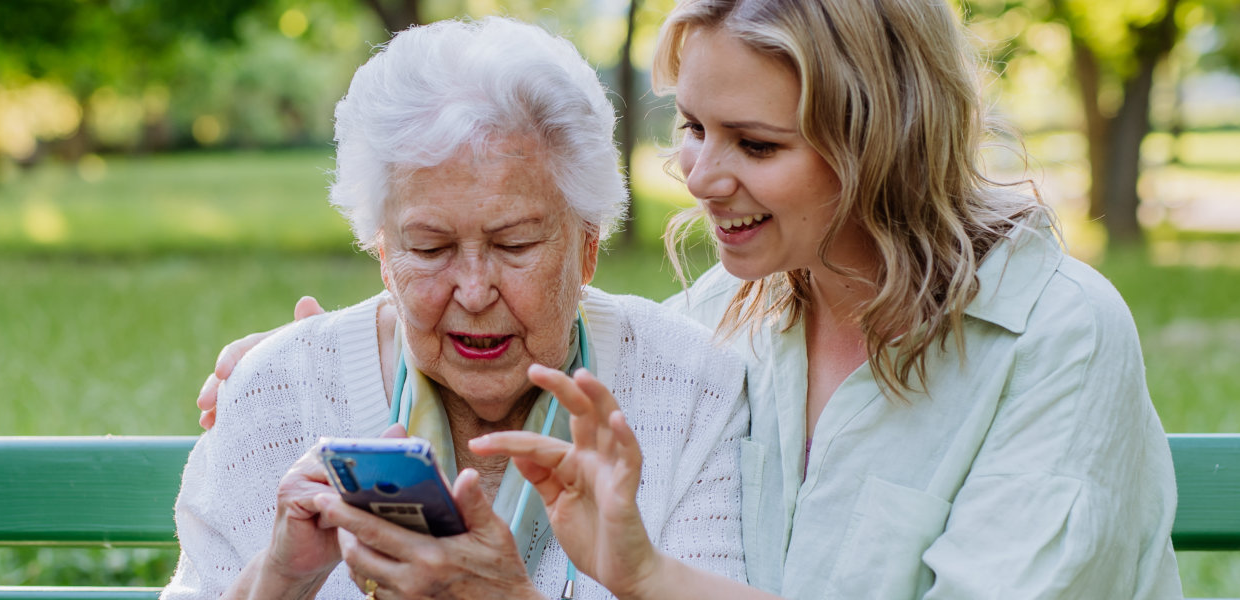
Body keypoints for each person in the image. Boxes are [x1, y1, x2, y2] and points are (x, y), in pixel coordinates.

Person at [199, 0, 1184, 598]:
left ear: (883, 141)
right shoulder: (728, 318)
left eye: (756, 145)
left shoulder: (1054, 336)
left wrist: (648, 579)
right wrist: (319, 356)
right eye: (693, 128)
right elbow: (549, 319)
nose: (702, 176)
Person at [160, 17, 749, 600]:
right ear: (384, 254)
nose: (472, 290)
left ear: (587, 247)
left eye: (514, 244)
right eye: (430, 247)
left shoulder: (690, 388)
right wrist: (280, 581)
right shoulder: (277, 393)